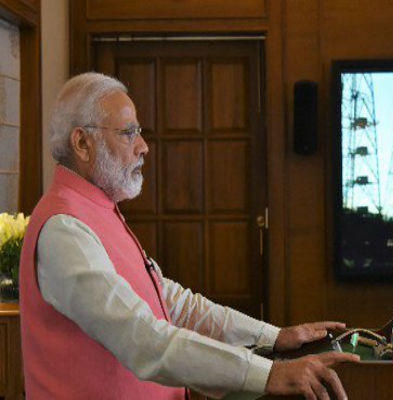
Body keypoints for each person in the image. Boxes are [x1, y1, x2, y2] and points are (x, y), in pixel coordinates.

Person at [19, 72, 359, 399]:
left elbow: (170, 301)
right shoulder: (64, 230)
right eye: (128, 133)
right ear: (82, 143)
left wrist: (273, 337)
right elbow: (143, 340)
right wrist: (269, 374)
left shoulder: (97, 209)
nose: (143, 147)